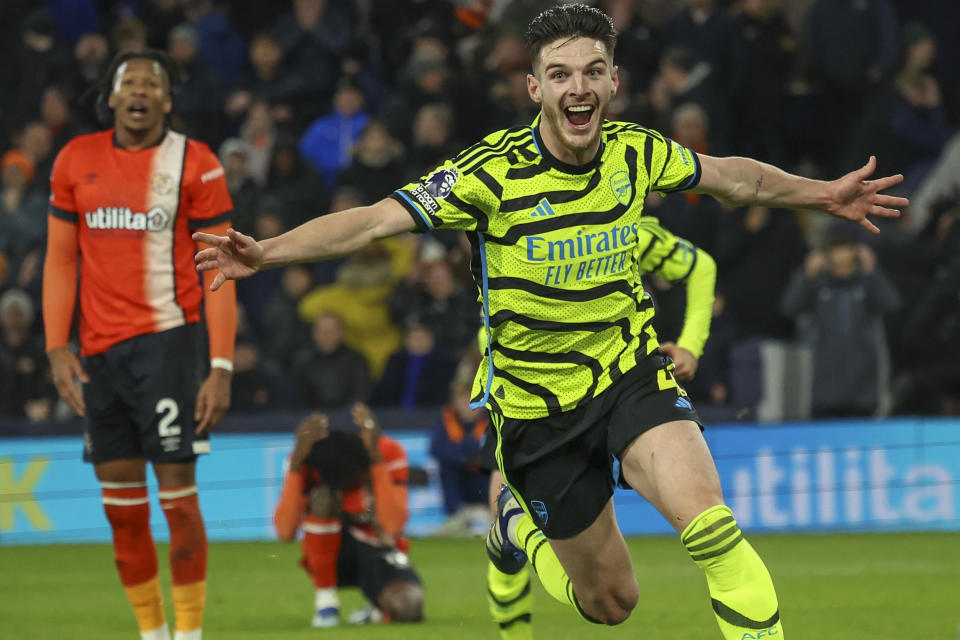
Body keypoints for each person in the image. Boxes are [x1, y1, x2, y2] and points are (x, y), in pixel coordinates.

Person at [194, 5, 907, 637]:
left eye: (593, 71)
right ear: (535, 88)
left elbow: (736, 178)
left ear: (613, 82)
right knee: (610, 602)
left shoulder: (637, 151)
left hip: (629, 375)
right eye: (561, 74)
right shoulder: (488, 174)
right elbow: (376, 220)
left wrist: (824, 195)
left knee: (712, 525)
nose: (579, 88)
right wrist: (272, 251)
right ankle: (515, 530)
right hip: (537, 412)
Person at [43, 50, 237, 640]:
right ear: (112, 95)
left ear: (167, 100)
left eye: (153, 83)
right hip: (99, 357)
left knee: (178, 502)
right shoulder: (76, 159)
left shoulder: (195, 163)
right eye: (131, 81)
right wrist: (56, 346)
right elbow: (60, 258)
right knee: (121, 512)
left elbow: (220, 268)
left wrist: (221, 364)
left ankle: (190, 634)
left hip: (168, 349)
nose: (141, 91)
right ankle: (152, 634)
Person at [484, 215, 717, 639]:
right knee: (507, 501)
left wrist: (691, 344)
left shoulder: (625, 226)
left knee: (606, 594)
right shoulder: (514, 214)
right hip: (528, 397)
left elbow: (700, 265)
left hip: (619, 388)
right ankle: (512, 600)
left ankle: (513, 529)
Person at [273, 403, 424, 627]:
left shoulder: (388, 452)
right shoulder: (306, 459)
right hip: (331, 553)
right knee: (322, 499)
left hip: (379, 549)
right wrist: (295, 466)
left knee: (407, 608)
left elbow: (392, 528)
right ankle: (326, 603)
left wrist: (376, 459)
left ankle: (376, 605)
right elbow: (285, 532)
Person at [780, 227, 901, 418]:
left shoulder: (866, 283)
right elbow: (789, 307)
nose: (842, 260)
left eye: (846, 250)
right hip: (825, 388)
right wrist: (807, 275)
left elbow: (892, 304)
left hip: (863, 388)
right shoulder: (819, 284)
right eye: (836, 251)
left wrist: (872, 271)